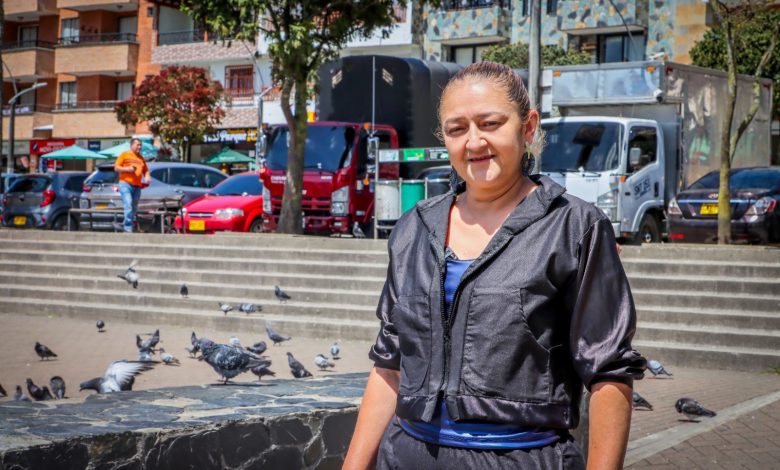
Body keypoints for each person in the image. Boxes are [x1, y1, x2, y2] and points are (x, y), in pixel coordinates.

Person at [343, 62, 646, 470]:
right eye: (456, 129)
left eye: (490, 123)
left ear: (527, 127)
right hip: (406, 456)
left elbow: (608, 371)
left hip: (522, 458)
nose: (474, 142)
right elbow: (389, 366)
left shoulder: (574, 227)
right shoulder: (413, 229)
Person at [114, 138, 151, 233]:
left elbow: (146, 170)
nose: (139, 147)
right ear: (132, 145)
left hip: (137, 186)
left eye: (140, 145)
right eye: (138, 145)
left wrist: (147, 176)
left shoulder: (141, 158)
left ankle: (124, 224)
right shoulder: (124, 154)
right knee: (128, 204)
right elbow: (116, 168)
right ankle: (127, 228)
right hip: (125, 184)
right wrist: (127, 169)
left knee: (133, 207)